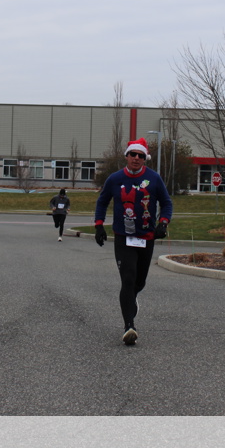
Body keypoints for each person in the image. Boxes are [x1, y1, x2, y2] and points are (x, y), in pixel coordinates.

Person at [95, 138, 173, 345]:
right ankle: (129, 326)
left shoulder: (154, 178)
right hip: (124, 237)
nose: (136, 158)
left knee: (139, 282)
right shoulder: (115, 179)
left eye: (140, 155)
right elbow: (102, 202)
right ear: (127, 156)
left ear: (145, 158)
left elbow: (166, 203)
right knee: (128, 279)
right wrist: (99, 225)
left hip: (146, 237)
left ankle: (131, 299)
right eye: (133, 154)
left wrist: (163, 223)